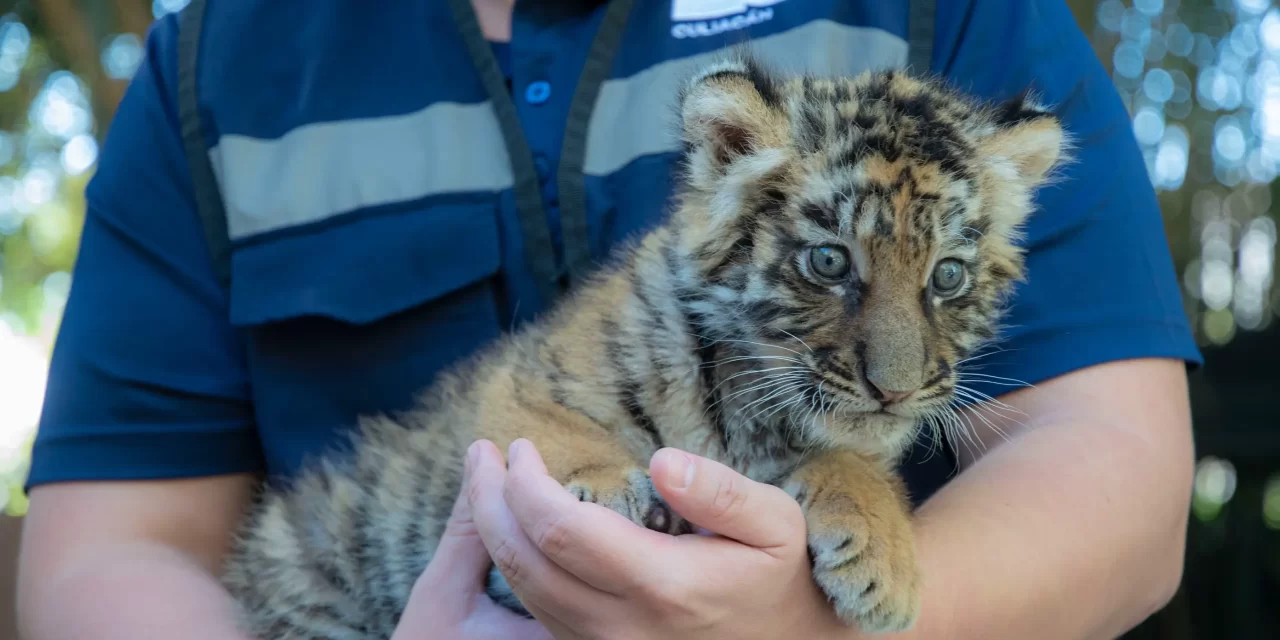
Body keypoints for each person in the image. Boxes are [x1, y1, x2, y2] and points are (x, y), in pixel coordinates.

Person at [15, 0, 1201, 638]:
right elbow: (114, 547)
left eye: (937, 286)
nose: (895, 363)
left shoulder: (950, 10)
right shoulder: (210, 63)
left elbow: (1112, 465)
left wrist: (817, 632)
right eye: (833, 268)